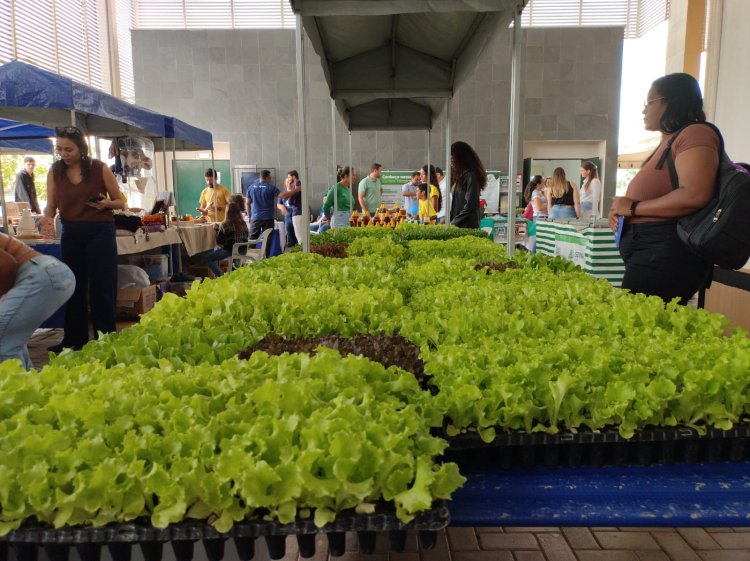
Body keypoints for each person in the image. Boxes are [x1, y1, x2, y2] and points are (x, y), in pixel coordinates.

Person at [608, 73, 720, 305]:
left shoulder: (695, 133)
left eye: (650, 102)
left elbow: (695, 194)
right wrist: (621, 211)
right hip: (651, 250)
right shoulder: (669, 140)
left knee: (639, 327)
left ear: (672, 101)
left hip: (665, 252)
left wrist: (633, 207)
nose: (644, 110)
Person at [39, 126, 125, 352]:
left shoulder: (99, 168)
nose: (64, 154)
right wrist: (46, 219)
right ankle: (73, 340)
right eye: (60, 149)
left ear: (81, 148)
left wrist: (104, 203)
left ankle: (105, 339)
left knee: (102, 286)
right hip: (71, 232)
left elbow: (119, 202)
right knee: (73, 286)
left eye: (69, 149)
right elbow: (51, 206)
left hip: (100, 231)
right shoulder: (55, 171)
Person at [0, 233, 75, 369]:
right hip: (48, 273)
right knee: (11, 337)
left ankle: (15, 386)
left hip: (41, 275)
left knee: (3, 337)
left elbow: (6, 264)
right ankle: (30, 384)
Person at [246, 170, 299, 254]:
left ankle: (250, 259)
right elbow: (283, 196)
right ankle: (266, 259)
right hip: (268, 218)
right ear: (267, 177)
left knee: (252, 239)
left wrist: (249, 216)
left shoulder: (251, 187)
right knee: (267, 239)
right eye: (270, 178)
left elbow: (247, 203)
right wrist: (296, 190)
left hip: (255, 218)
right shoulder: (270, 187)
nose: (270, 180)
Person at [204, 202, 249, 277]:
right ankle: (235, 275)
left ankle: (220, 276)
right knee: (235, 260)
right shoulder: (243, 223)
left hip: (230, 250)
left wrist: (216, 230)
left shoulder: (225, 224)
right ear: (238, 212)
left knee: (208, 258)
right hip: (243, 250)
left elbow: (219, 242)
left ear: (227, 212)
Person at [450, 141, 486, 229]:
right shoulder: (462, 176)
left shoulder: (471, 176)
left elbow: (471, 205)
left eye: (452, 158)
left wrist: (454, 222)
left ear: (460, 159)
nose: (451, 161)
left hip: (467, 226)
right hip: (460, 225)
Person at [277, 170, 302, 248]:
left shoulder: (296, 190)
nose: (288, 183)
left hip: (296, 212)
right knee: (289, 230)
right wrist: (282, 207)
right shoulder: (283, 192)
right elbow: (278, 203)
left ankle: (298, 246)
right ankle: (292, 245)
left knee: (298, 232)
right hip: (288, 214)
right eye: (287, 182)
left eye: (289, 181)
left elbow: (292, 201)